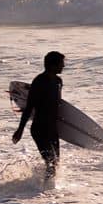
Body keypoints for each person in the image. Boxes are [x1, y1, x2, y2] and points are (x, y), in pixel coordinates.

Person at [13, 50, 65, 179]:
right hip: (40, 129)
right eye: (61, 63)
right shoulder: (40, 81)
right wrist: (20, 130)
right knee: (51, 163)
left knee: (55, 164)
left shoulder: (58, 81)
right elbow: (29, 107)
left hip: (53, 129)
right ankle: (43, 190)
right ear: (53, 65)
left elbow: (57, 104)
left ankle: (42, 186)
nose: (63, 66)